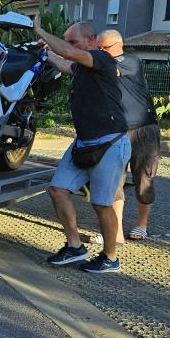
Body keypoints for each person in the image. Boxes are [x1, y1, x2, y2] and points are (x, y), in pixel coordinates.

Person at [32, 18, 131, 273]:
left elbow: (68, 54)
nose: (69, 45)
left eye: (73, 41)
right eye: (67, 41)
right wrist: (44, 51)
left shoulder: (102, 59)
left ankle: (110, 258)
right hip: (84, 142)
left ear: (90, 41)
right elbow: (65, 62)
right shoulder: (82, 66)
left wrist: (41, 30)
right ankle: (75, 246)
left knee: (102, 204)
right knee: (58, 189)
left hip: (109, 143)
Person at [97, 30, 160, 240]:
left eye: (104, 48)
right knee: (115, 180)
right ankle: (115, 232)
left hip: (143, 129)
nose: (100, 52)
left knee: (144, 178)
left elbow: (106, 69)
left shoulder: (131, 61)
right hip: (116, 130)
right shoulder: (100, 62)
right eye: (97, 48)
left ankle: (142, 224)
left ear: (119, 45)